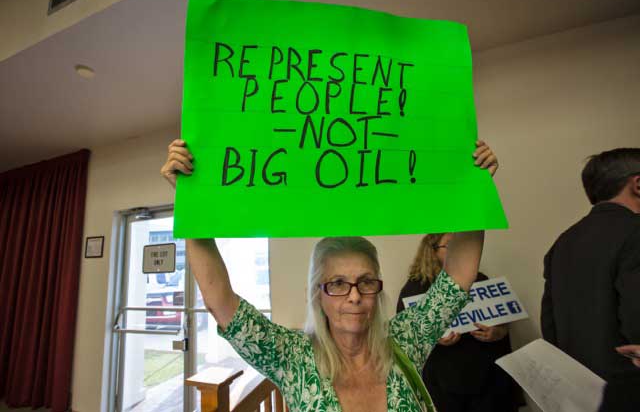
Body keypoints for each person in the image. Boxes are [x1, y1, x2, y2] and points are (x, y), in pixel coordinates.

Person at [161, 139, 498, 412]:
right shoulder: (290, 356)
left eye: (366, 281)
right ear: (318, 293)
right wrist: (191, 202)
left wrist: (476, 188)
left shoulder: (406, 339)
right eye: (337, 283)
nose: (354, 295)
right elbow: (221, 300)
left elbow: (457, 276)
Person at [541, 148, 640, 412]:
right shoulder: (636, 232)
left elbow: (549, 323)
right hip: (630, 388)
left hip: (579, 392)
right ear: (638, 184)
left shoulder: (563, 242)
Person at [397, 233, 524, 412]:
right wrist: (433, 338)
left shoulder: (480, 280)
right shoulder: (415, 289)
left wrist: (498, 333)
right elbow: (404, 340)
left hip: (488, 385)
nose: (457, 251)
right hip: (444, 387)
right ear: (431, 252)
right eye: (449, 246)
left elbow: (502, 325)